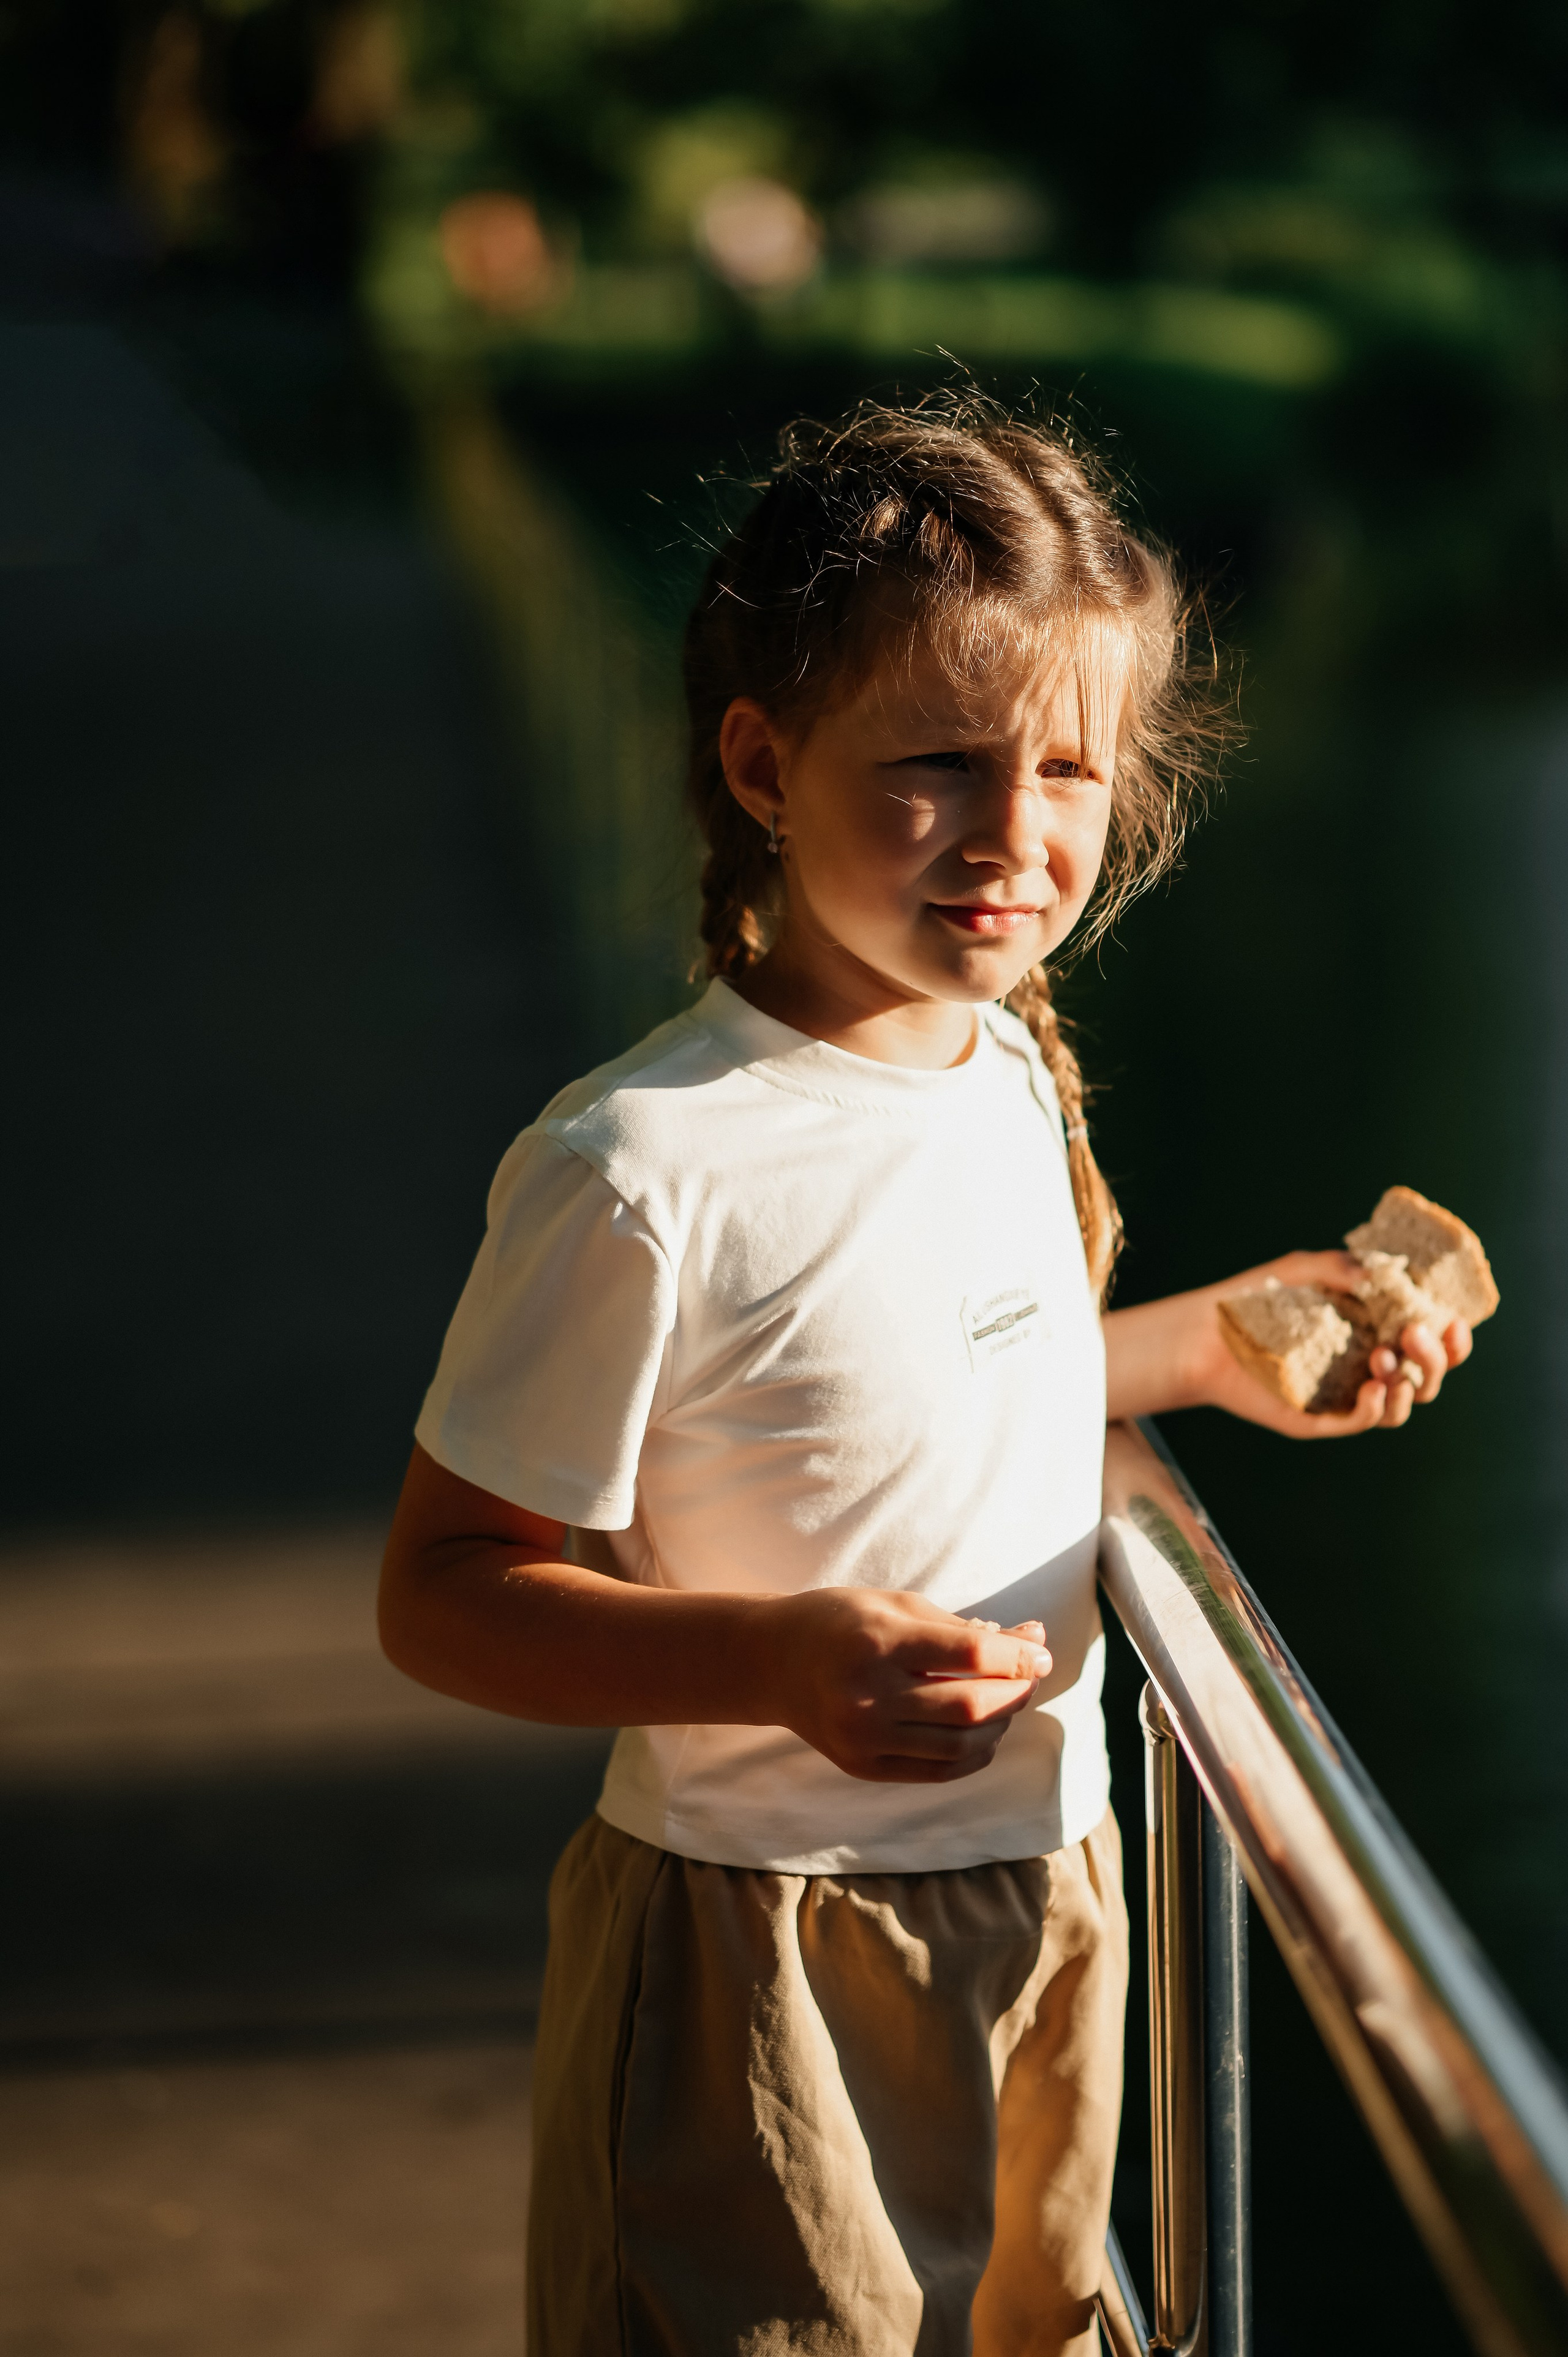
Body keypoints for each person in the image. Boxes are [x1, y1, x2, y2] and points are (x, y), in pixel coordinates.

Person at [379, 396, 1472, 2357]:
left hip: (1049, 1889)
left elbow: (931, 1386)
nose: (1017, 834)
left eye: (1069, 768)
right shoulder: (641, 1168)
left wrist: (1224, 1349)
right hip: (758, 1938)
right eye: (941, 766)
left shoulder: (1008, 1072)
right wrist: (773, 1661)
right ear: (762, 764)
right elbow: (442, 1591)